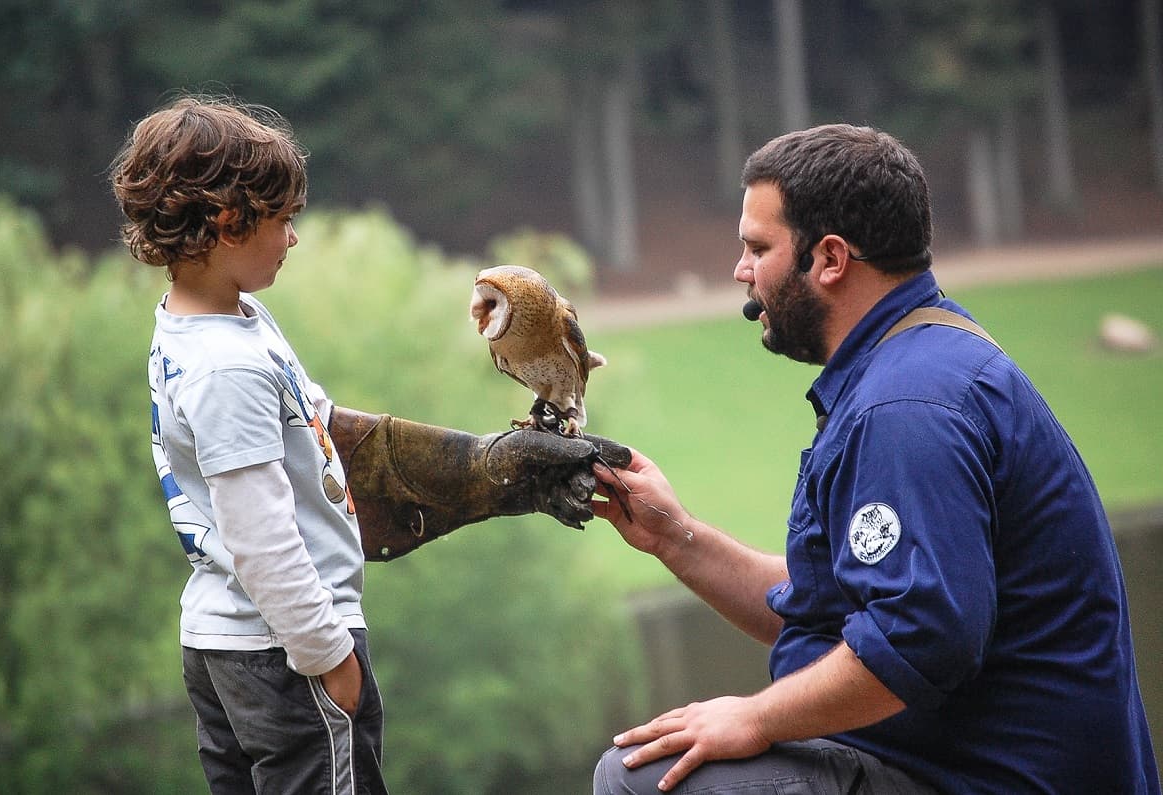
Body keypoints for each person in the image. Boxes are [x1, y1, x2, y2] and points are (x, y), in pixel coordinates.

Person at [591, 124, 1160, 794]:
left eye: (757, 248)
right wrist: (672, 536)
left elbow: (921, 639)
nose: (742, 272)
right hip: (949, 768)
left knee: (641, 780)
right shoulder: (915, 366)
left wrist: (754, 718)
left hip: (984, 781)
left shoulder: (909, 407)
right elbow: (836, 610)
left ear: (829, 258)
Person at [110, 95, 616, 794]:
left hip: (223, 639)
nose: (293, 238)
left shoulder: (212, 325)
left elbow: (323, 433)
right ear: (229, 222)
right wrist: (326, 653)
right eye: (284, 220)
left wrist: (483, 467)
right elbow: (259, 534)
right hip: (285, 649)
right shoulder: (226, 367)